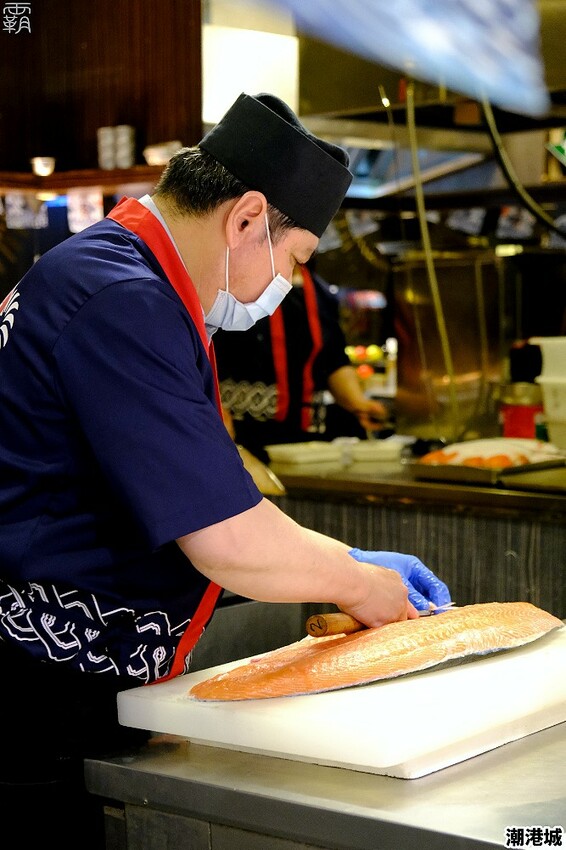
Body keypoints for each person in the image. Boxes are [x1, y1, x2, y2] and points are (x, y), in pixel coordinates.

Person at [0, 92, 451, 847]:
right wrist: (356, 583)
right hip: (31, 700)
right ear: (245, 220)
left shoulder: (113, 272)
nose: (287, 287)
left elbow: (196, 500)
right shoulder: (123, 297)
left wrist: (342, 557)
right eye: (295, 259)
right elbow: (226, 540)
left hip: (61, 690)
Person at [214, 259, 389, 463]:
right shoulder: (234, 283)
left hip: (305, 443)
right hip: (240, 432)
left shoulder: (321, 293)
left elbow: (333, 361)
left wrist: (358, 403)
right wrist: (212, 409)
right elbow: (203, 350)